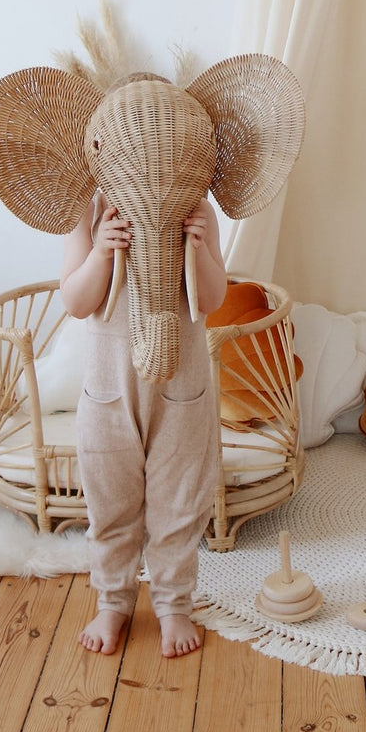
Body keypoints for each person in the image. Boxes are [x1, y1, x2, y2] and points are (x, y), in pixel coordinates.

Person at [60, 193, 227, 659]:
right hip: (109, 394)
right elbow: (76, 301)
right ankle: (113, 600)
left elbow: (212, 300)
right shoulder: (89, 213)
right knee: (110, 501)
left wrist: (197, 247)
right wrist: (100, 252)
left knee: (179, 502)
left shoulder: (196, 209)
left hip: (181, 392)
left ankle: (174, 604)